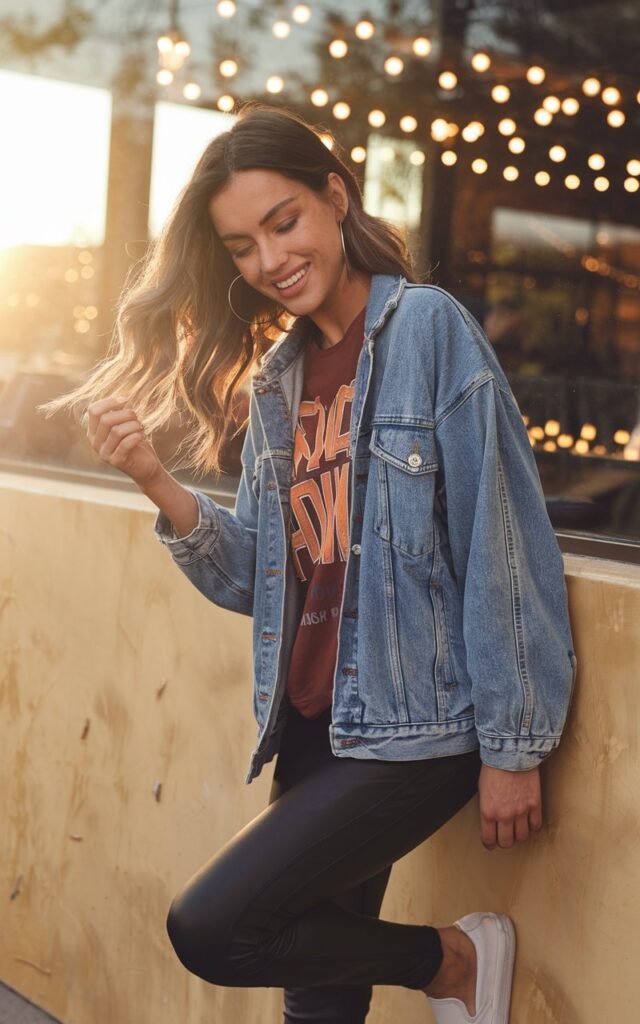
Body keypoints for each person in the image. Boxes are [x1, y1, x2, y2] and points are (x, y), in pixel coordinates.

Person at [41, 103, 577, 1024]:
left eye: (283, 222)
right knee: (316, 1007)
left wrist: (514, 748)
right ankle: (442, 965)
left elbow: (503, 539)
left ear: (335, 197)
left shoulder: (427, 332)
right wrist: (152, 478)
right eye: (242, 245)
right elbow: (259, 579)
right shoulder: (280, 382)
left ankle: (448, 959)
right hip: (311, 724)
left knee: (213, 926)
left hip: (413, 729)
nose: (270, 260)